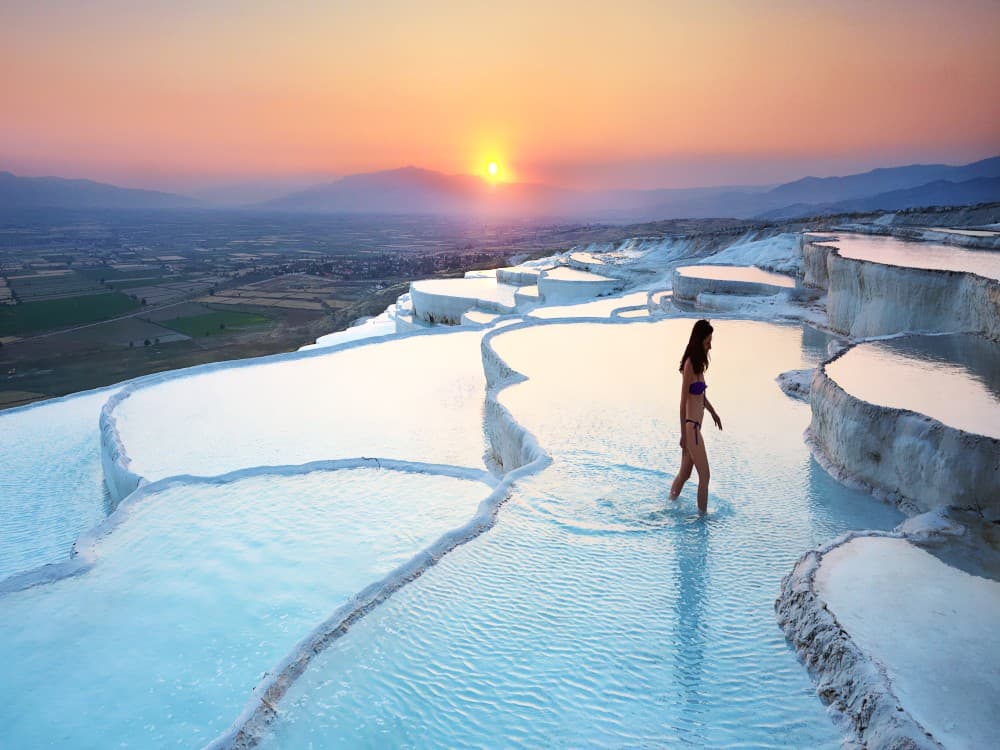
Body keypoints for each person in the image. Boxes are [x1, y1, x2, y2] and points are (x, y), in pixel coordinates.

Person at [669, 319, 722, 513]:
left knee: (685, 474)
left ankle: (669, 504)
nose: (710, 344)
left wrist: (714, 412)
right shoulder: (690, 364)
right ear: (699, 340)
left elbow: (701, 396)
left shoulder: (699, 365)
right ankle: (703, 518)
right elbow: (683, 402)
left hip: (696, 427)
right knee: (705, 476)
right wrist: (683, 435)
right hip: (691, 428)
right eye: (708, 340)